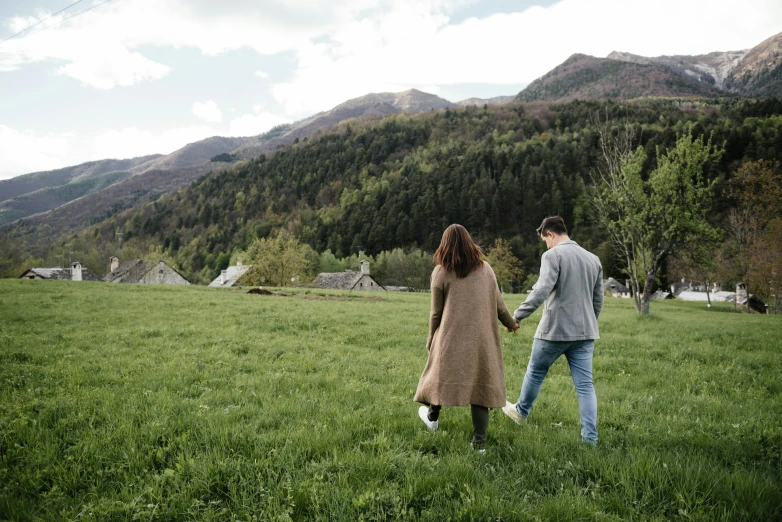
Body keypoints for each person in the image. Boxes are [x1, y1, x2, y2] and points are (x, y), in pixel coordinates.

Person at [414, 224, 519, 452]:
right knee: (480, 387)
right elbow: (499, 305)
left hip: (450, 338)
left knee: (440, 375)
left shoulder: (441, 272)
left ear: (445, 245)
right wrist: (512, 324)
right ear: (470, 243)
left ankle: (432, 418)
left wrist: (431, 338)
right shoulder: (486, 269)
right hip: (481, 340)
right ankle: (479, 445)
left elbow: (436, 313)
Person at [502, 216, 603, 446]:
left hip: (554, 331)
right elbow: (598, 300)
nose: (545, 245)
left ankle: (521, 412)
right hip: (585, 333)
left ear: (550, 234)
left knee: (536, 372)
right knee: (585, 386)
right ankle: (590, 439)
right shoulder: (593, 259)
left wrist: (516, 317)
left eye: (545, 240)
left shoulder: (552, 255)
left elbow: (541, 290)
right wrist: (588, 323)